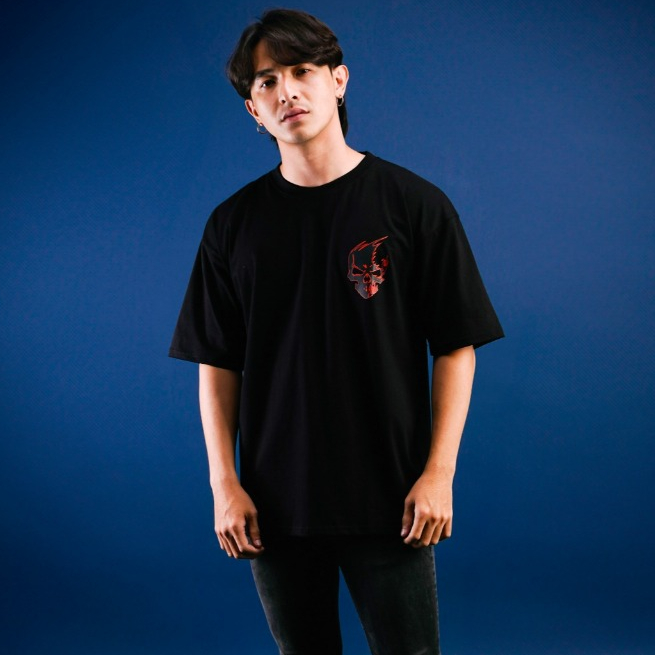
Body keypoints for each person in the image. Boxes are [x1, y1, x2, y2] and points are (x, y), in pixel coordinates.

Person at [169, 8, 504, 655]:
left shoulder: (414, 206)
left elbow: (455, 346)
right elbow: (217, 361)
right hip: (275, 505)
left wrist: (438, 473)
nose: (287, 91)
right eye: (267, 81)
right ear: (253, 110)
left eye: (301, 71)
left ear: (338, 80)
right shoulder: (232, 226)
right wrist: (224, 485)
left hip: (392, 497)